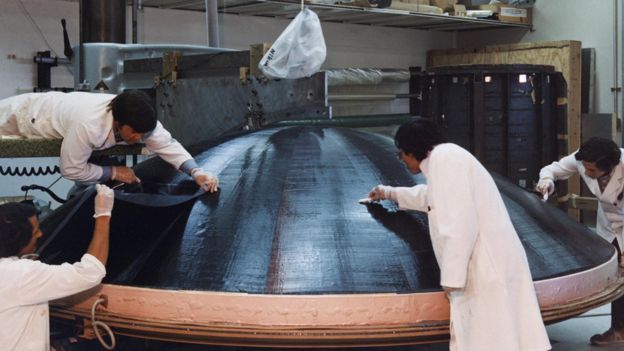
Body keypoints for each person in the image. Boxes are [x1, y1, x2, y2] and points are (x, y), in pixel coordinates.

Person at [367, 118, 550, 351]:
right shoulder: (447, 158)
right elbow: (434, 198)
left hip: (485, 266)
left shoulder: (446, 160)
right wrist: (389, 193)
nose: (401, 160)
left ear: (411, 151)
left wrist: (452, 279)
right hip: (488, 261)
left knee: (490, 338)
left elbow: (459, 223)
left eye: (400, 154)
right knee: (500, 336)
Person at [0, 90, 218, 192]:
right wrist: (113, 173)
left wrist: (196, 172)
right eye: (134, 133)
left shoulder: (141, 122)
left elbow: (167, 145)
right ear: (118, 122)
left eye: (144, 134)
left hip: (59, 106)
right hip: (26, 115)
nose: (139, 139)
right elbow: (71, 170)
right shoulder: (89, 125)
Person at [0, 184, 114, 351]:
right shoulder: (21, 274)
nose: (40, 235)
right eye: (35, 232)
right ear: (18, 239)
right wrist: (103, 215)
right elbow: (91, 271)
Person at [537, 137, 624, 346]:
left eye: (592, 170)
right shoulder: (584, 158)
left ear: (610, 166)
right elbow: (553, 169)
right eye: (584, 167)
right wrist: (546, 181)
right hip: (609, 226)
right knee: (616, 278)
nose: (586, 172)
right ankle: (620, 330)